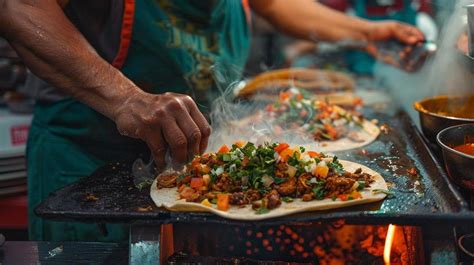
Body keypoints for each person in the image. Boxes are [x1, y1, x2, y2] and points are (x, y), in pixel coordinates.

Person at [0, 0, 424, 242]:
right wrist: (127, 98)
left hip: (193, 166)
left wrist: (363, 32)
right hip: (88, 164)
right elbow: (21, 6)